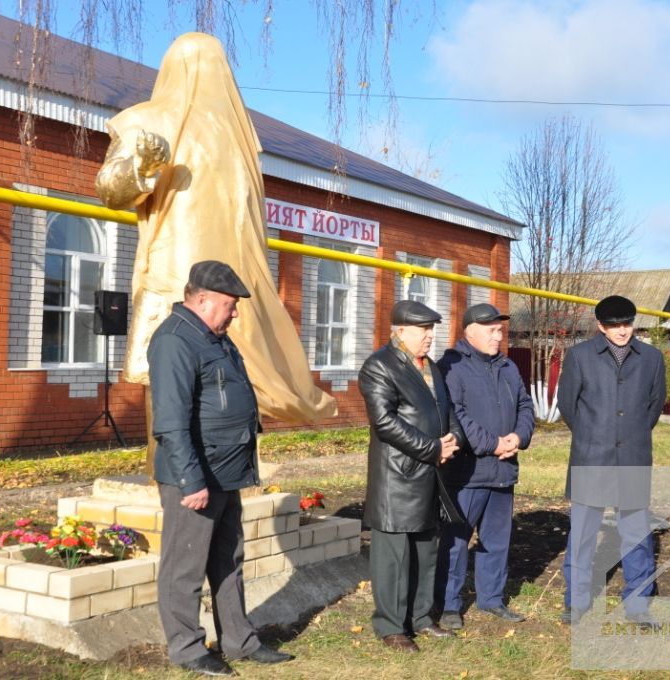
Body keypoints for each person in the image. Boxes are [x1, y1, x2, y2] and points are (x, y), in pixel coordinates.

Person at [95, 32, 335, 474]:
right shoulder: (147, 122)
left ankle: (230, 464)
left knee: (232, 364)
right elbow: (111, 189)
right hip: (177, 265)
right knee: (170, 364)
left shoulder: (241, 140)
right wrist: (144, 165)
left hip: (230, 274)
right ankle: (165, 468)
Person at [148, 260, 293, 676]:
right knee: (185, 567)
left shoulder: (214, 337)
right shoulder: (175, 340)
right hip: (194, 477)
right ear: (203, 299)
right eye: (230, 305)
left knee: (229, 559)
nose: (235, 313)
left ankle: (240, 640)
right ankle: (188, 649)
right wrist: (191, 480)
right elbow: (172, 423)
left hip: (226, 471)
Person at [358, 300, 464, 653]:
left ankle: (420, 618)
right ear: (400, 330)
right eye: (423, 330)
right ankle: (391, 625)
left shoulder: (430, 367)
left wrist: (453, 439)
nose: (430, 336)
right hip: (397, 478)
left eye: (432, 329)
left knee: (425, 550)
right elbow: (385, 423)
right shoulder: (378, 366)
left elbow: (445, 411)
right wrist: (434, 448)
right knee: (393, 557)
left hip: (429, 475)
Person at [557, 295, 666, 629]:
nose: (623, 331)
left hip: (633, 457)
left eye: (628, 323)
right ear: (600, 326)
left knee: (636, 533)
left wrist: (627, 436)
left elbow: (654, 406)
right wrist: (595, 435)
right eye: (615, 325)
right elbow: (568, 405)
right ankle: (575, 601)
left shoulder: (651, 358)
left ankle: (637, 604)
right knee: (584, 533)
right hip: (591, 457)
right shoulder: (579, 357)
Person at [434, 303, 535, 630]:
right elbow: (455, 416)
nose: (498, 335)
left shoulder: (507, 367)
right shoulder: (451, 367)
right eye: (491, 330)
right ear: (470, 332)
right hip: (467, 473)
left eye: (500, 329)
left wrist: (518, 438)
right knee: (456, 540)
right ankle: (448, 604)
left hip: (504, 471)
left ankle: (492, 599)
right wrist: (492, 444)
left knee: (497, 540)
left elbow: (525, 405)